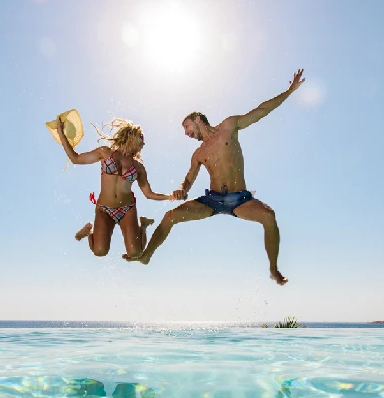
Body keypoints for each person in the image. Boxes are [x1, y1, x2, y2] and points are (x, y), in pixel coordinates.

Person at [124, 69, 305, 285]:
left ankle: (274, 269)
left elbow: (262, 110)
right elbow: (188, 179)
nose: (186, 133)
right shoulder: (198, 153)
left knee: (268, 216)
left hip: (240, 200)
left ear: (198, 119)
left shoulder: (229, 127)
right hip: (212, 200)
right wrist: (182, 188)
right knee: (170, 216)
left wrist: (289, 91)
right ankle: (146, 256)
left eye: (187, 126)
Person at [57, 118, 170, 258]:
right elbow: (76, 159)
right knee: (99, 251)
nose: (144, 143)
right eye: (141, 138)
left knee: (136, 253)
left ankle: (144, 225)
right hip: (105, 208)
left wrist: (170, 196)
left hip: (127, 209)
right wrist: (61, 134)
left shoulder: (138, 167)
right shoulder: (105, 153)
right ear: (130, 136)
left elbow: (149, 193)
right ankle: (88, 231)